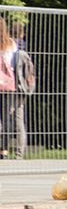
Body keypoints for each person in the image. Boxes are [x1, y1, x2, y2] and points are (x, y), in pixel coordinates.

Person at [0, 17, 29, 158]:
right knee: (12, 119)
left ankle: (4, 150)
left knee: (5, 120)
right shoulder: (12, 44)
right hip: (10, 86)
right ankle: (11, 152)